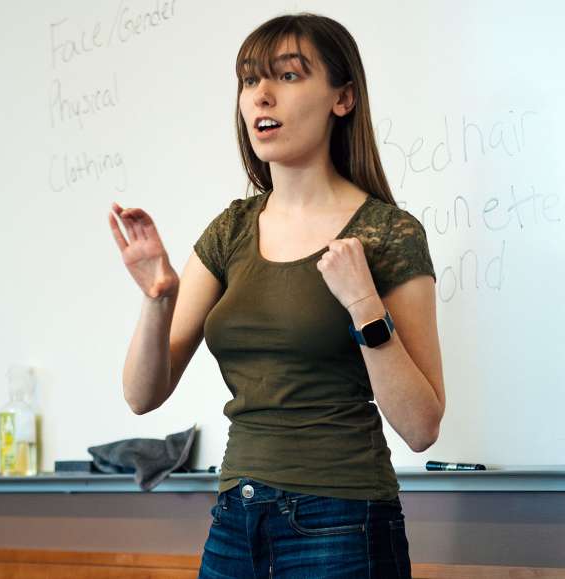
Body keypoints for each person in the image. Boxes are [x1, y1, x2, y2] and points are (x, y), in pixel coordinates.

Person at [108, 13, 445, 578]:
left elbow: (421, 427)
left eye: (287, 77)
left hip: (343, 520)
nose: (260, 95)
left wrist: (365, 304)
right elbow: (142, 395)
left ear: (343, 98)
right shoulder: (231, 229)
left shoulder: (389, 232)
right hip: (235, 519)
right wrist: (159, 297)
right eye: (247, 80)